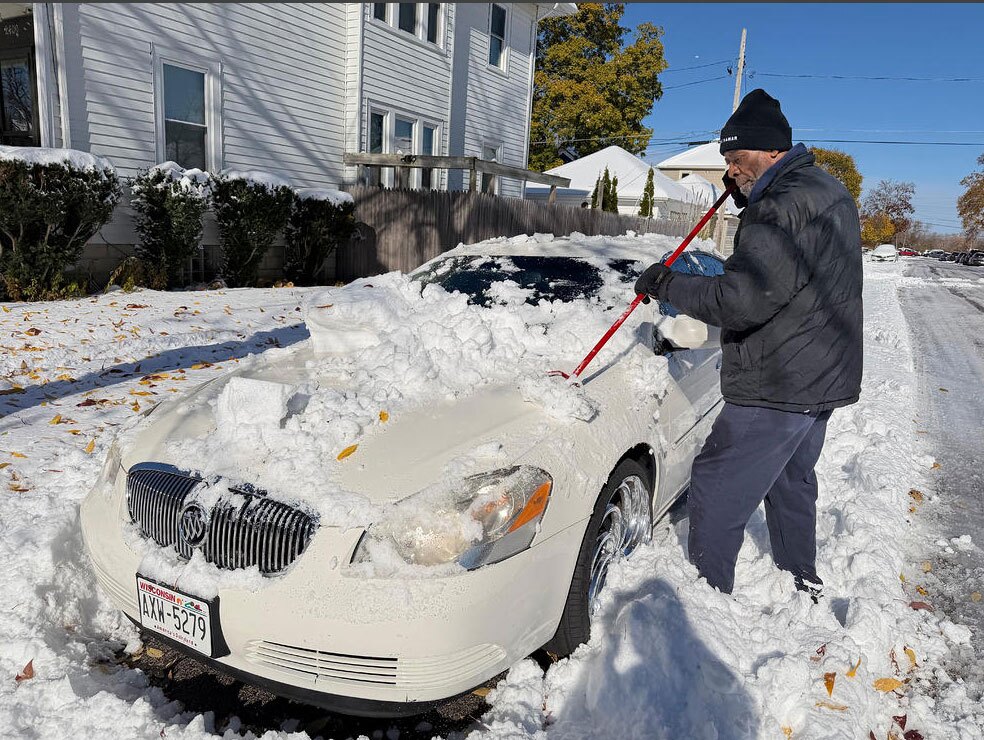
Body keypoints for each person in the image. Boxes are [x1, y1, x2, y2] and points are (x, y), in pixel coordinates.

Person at [634, 89, 863, 597]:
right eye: (727, 163)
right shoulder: (826, 190)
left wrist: (665, 285)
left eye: (737, 159)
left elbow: (741, 300)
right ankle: (799, 578)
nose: (730, 171)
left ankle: (708, 601)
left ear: (771, 151)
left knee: (715, 486)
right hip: (822, 372)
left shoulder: (779, 206)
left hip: (778, 380)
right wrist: (752, 194)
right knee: (790, 481)